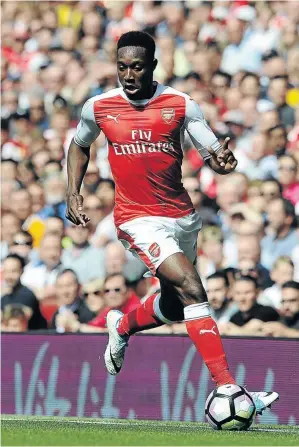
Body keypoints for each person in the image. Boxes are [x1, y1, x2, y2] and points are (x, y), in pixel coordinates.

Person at [66, 31, 278, 413]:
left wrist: (222, 162)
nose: (128, 75)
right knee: (193, 289)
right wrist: (72, 191)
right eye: (122, 67)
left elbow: (212, 150)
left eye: (137, 67)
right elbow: (80, 144)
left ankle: (123, 326)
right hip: (137, 218)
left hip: (181, 215)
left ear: (153, 66)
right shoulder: (98, 107)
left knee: (177, 304)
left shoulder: (180, 105)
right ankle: (229, 388)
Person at [1, 254, 47, 330]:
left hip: (30, 339)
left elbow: (17, 326)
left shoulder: (27, 295)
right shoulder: (4, 298)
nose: (9, 276)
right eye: (6, 271)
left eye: (13, 271)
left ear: (21, 271)